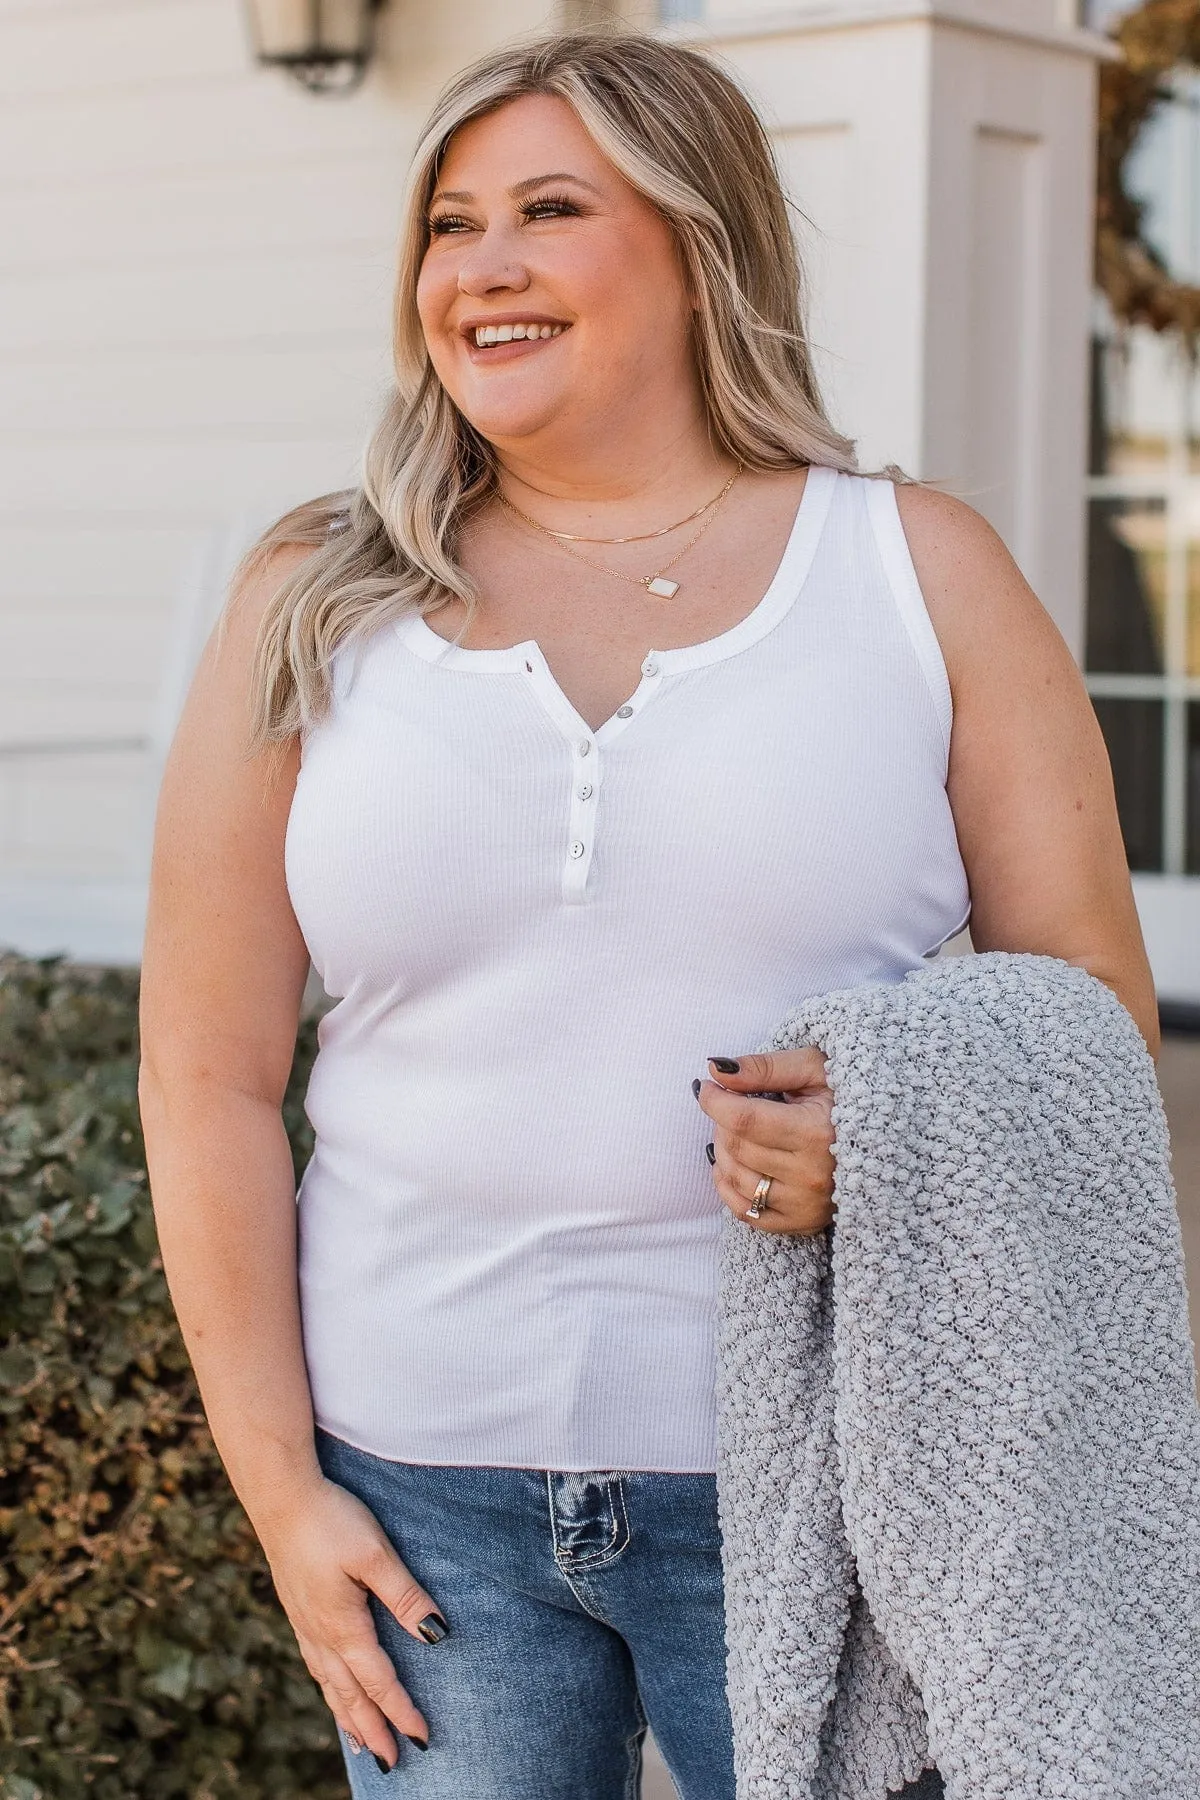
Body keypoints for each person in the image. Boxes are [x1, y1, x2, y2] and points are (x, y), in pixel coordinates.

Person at [137, 31, 1158, 1800]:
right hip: (420, 1499)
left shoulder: (917, 573)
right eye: (451, 226)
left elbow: (1093, 1012)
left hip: (824, 1490)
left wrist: (900, 1131)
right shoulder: (315, 601)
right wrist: (285, 1493)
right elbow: (207, 1072)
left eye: (549, 209)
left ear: (699, 247)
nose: (484, 268)